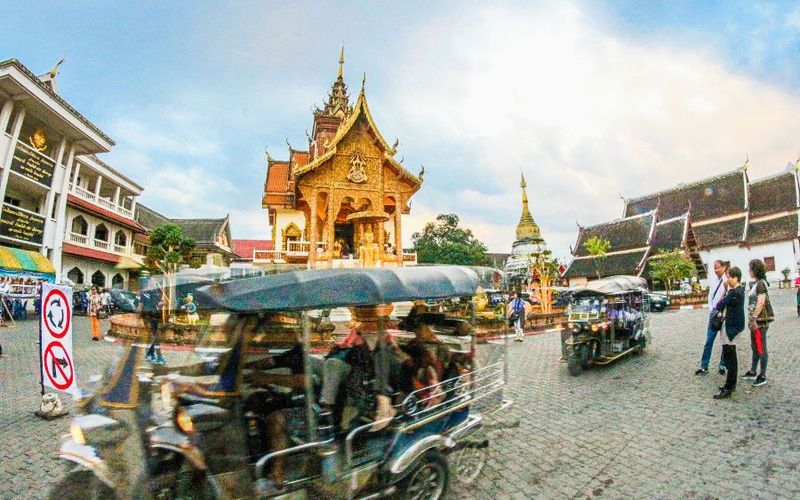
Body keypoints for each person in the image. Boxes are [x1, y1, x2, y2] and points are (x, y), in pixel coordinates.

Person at [711, 267, 745, 399]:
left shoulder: (733, 292)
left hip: (730, 328)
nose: (727, 280)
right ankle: (730, 384)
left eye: (729, 277)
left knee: (729, 358)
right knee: (731, 358)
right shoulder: (740, 290)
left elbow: (719, 305)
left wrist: (725, 291)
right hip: (735, 326)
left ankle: (729, 387)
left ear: (735, 277)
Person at [741, 259, 774, 387]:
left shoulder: (761, 284)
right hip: (754, 321)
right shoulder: (756, 283)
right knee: (755, 346)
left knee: (761, 348)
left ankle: (762, 375)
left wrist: (754, 318)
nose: (749, 271)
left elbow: (760, 302)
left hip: (759, 322)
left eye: (750, 268)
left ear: (755, 270)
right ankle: (753, 370)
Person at [696, 260, 729, 375]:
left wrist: (723, 312)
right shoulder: (714, 280)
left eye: (718, 267)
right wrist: (711, 309)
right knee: (709, 340)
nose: (716, 270)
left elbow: (728, 298)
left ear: (724, 267)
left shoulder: (728, 281)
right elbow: (710, 295)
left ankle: (722, 364)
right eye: (714, 268)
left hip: (724, 315)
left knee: (724, 341)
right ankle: (704, 365)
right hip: (714, 313)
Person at [138, 284, 165, 365]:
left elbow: (160, 303)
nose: (153, 283)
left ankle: (150, 354)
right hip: (147, 316)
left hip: (156, 316)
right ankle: (159, 356)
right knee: (154, 336)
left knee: (154, 336)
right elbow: (140, 305)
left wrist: (162, 303)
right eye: (151, 281)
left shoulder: (157, 292)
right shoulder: (143, 293)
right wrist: (139, 316)